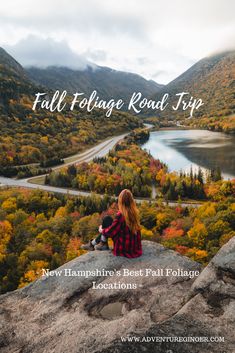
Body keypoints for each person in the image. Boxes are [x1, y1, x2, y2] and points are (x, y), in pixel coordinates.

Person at [82, 189, 142, 258]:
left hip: (123, 249)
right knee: (109, 220)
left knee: (107, 220)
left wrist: (101, 230)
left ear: (120, 201)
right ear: (132, 201)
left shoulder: (121, 216)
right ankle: (94, 244)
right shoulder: (135, 213)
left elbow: (111, 232)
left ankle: (95, 243)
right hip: (134, 248)